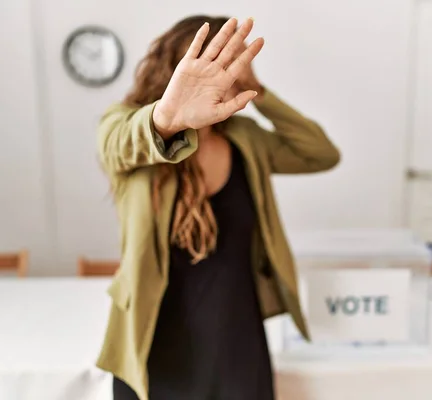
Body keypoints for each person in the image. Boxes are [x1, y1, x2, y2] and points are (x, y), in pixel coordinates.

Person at [95, 15, 340, 400]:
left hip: (236, 339)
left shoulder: (246, 140)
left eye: (232, 63)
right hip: (154, 339)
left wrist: (260, 92)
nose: (224, 73)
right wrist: (166, 118)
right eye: (214, 62)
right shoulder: (131, 126)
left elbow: (321, 155)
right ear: (175, 68)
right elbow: (115, 144)